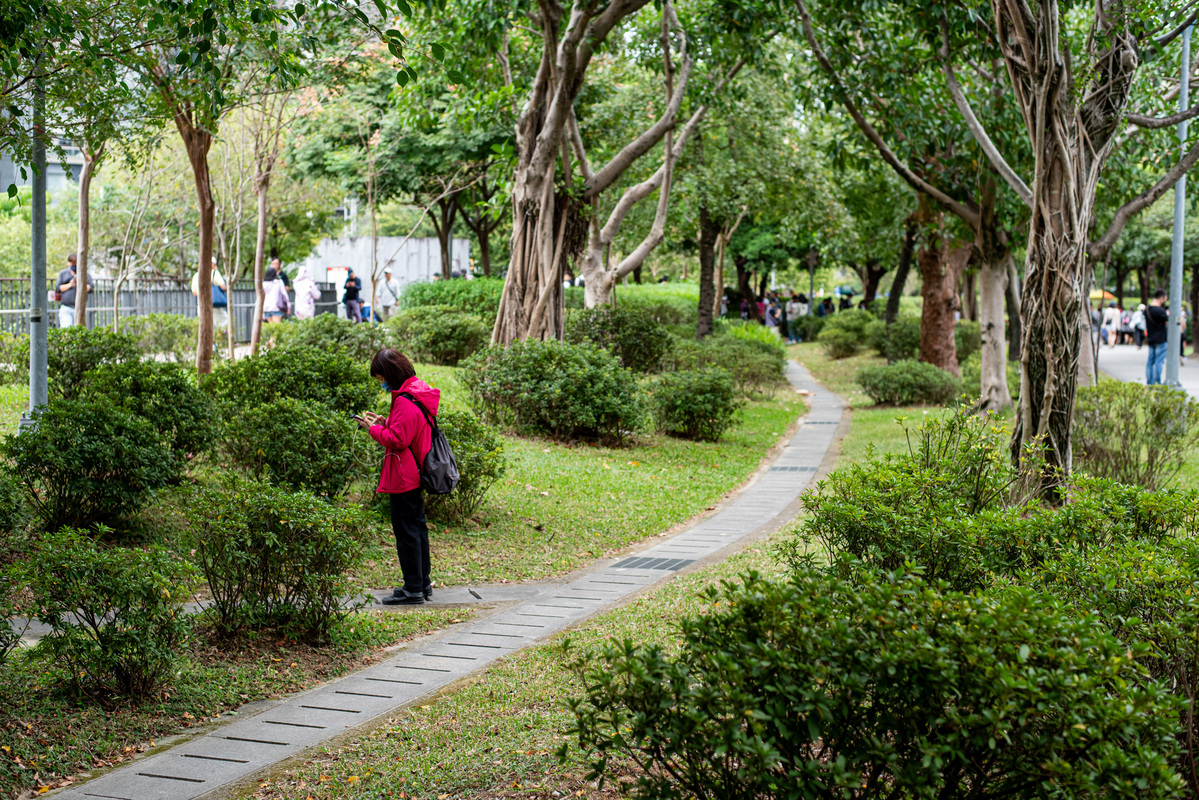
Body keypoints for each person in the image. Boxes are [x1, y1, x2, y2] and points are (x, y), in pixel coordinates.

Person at [358, 349, 440, 605]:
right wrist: (387, 421)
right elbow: (408, 427)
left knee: (406, 533)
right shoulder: (416, 390)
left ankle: (413, 589)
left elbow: (399, 439)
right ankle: (421, 584)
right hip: (414, 472)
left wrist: (373, 429)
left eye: (381, 376)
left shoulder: (405, 400)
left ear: (390, 373)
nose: (381, 382)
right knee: (417, 529)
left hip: (404, 475)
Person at [190, 257, 228, 332]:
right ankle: (218, 342)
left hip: (201, 305)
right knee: (224, 322)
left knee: (205, 327)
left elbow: (194, 292)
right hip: (213, 305)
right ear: (212, 264)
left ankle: (212, 343)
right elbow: (223, 287)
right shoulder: (214, 273)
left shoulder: (196, 275)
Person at [56, 253, 92, 328]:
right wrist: (70, 284)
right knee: (66, 330)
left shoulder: (84, 274)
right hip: (66, 308)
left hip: (80, 308)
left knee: (79, 331)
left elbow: (90, 288)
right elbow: (58, 288)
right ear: (68, 263)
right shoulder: (63, 273)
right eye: (72, 263)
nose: (74, 266)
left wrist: (80, 282)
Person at [1145, 289, 1169, 385]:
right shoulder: (1161, 311)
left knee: (1150, 361)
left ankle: (1149, 383)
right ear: (1162, 298)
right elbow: (1168, 323)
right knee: (1159, 361)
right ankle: (1156, 383)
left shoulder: (1147, 309)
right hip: (1161, 339)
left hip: (1151, 339)